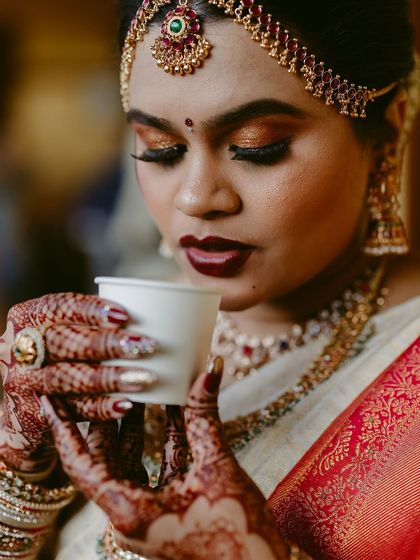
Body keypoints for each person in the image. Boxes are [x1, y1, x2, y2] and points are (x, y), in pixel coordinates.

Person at [0, 0, 419, 558]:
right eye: (161, 150)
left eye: (256, 146)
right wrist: (21, 475)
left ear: (386, 138)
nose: (196, 198)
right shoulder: (124, 337)